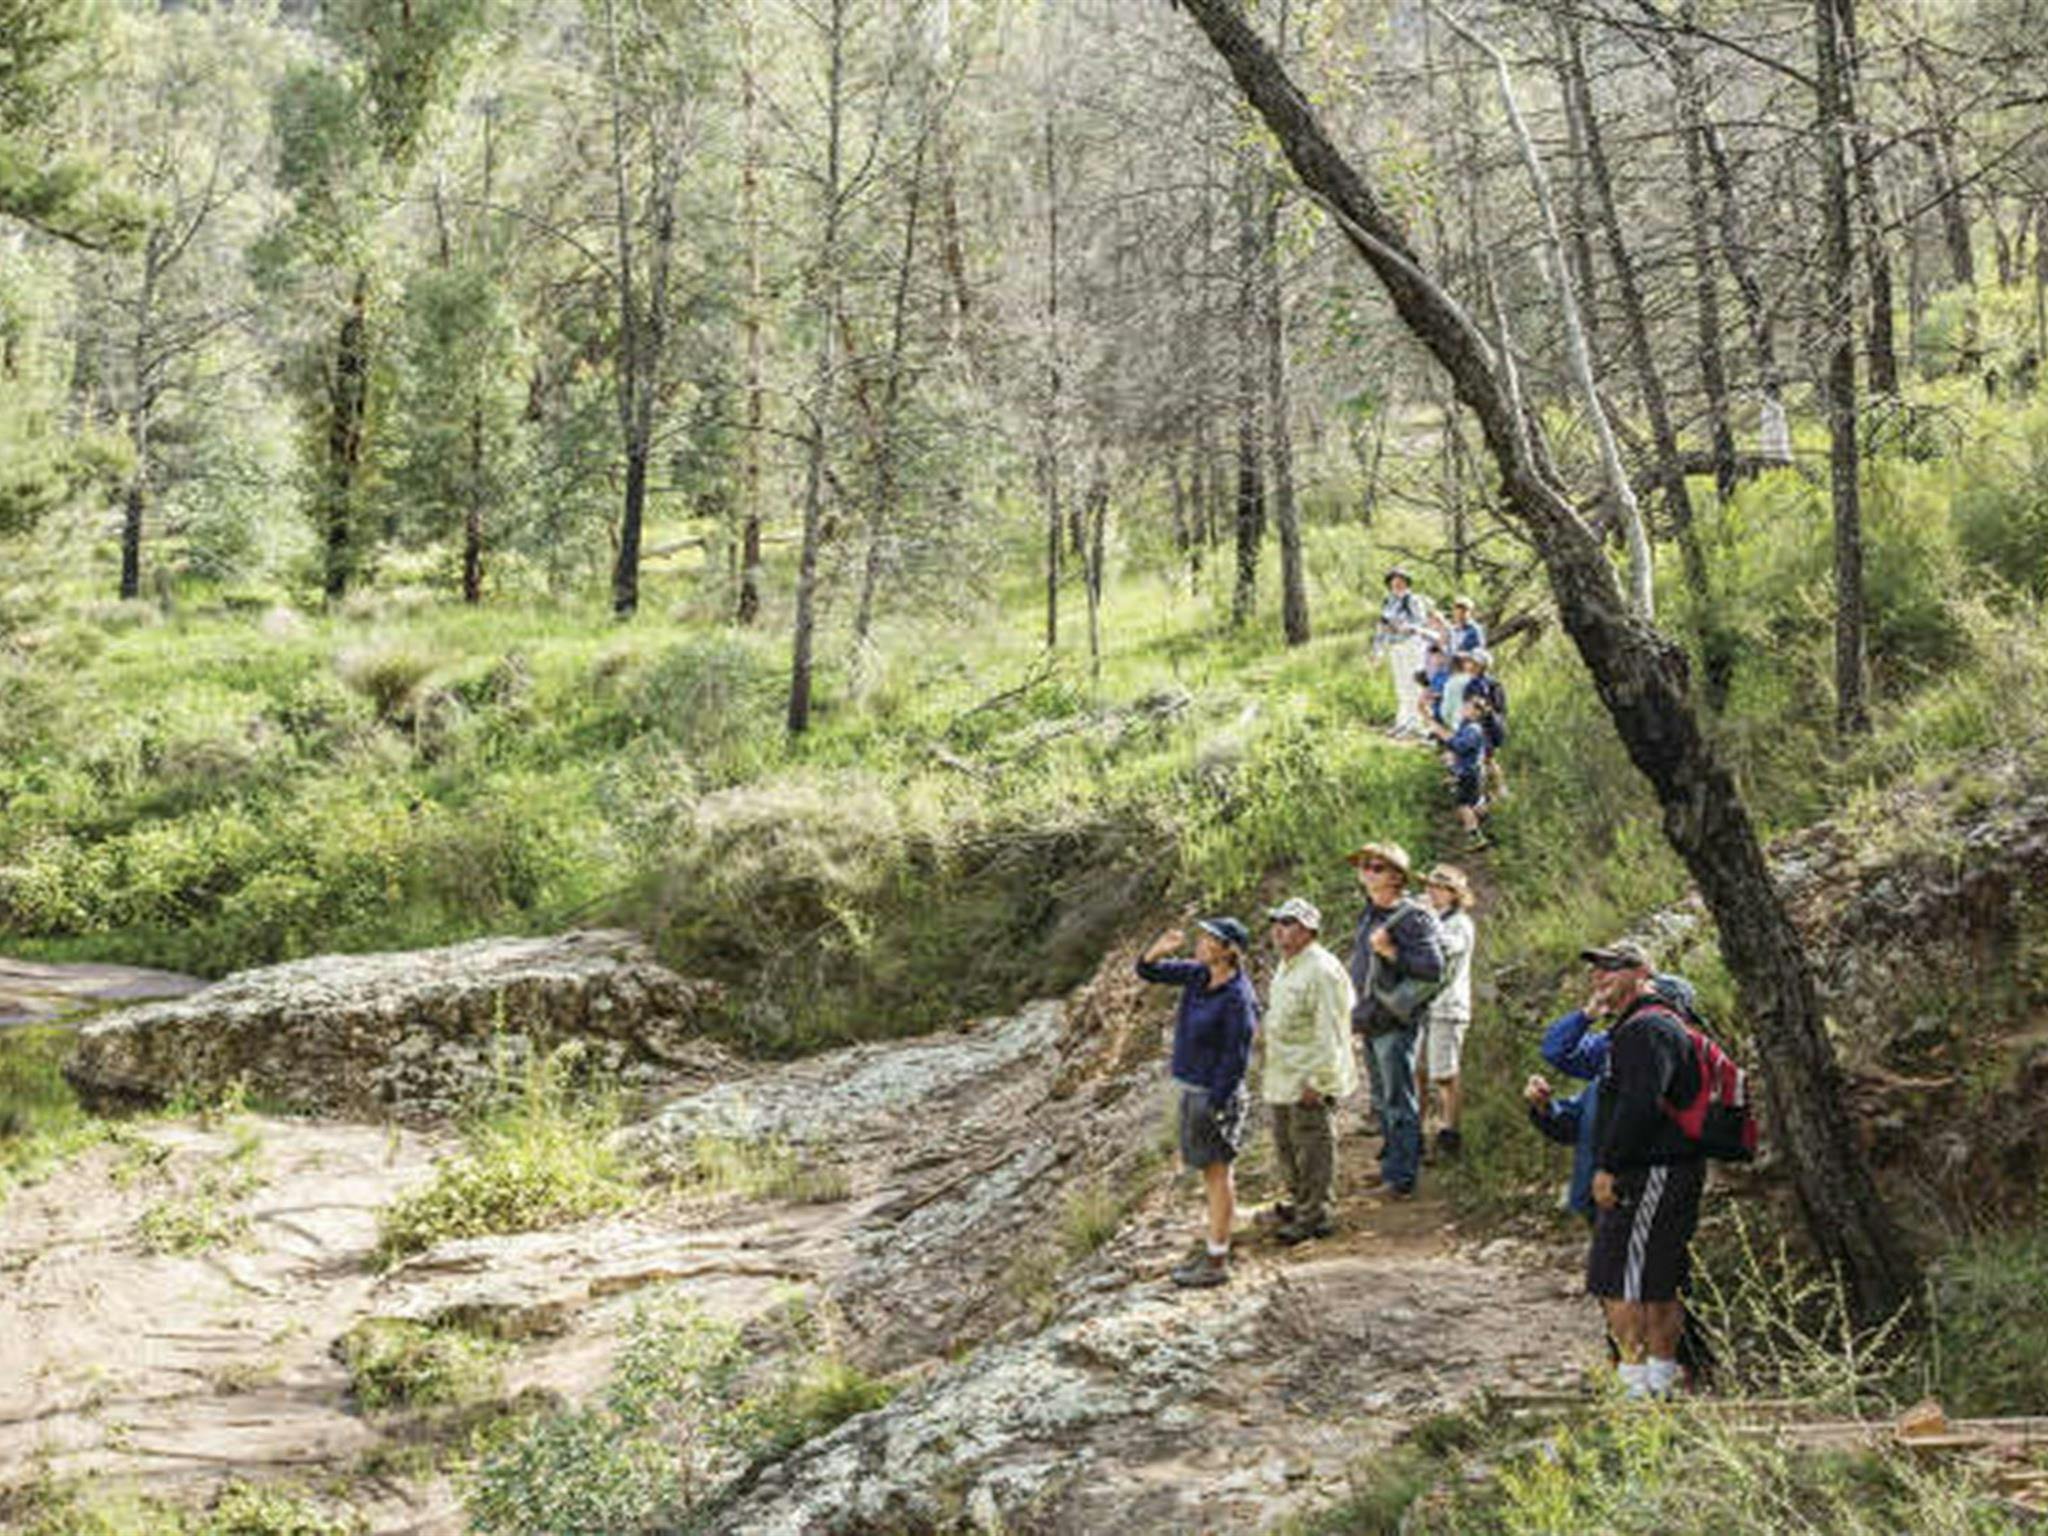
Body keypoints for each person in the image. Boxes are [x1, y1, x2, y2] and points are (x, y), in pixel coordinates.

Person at [1580, 939, 1708, 1400]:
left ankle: (1637, 1383)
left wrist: (1608, 1166)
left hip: (1652, 1169)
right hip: (1664, 1167)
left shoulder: (1647, 1029)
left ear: (1642, 973)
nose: (1600, 976)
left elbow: (1640, 1103)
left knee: (1619, 1276)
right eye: (1596, 970)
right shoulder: (1645, 1025)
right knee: (1652, 1277)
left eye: (1613, 968)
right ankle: (1656, 1380)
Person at [1137, 917, 1259, 1288]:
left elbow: (1236, 1057)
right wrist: (1158, 948)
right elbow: (1149, 971)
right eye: (1203, 937)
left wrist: (1218, 1103)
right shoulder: (1196, 975)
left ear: (1228, 951)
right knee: (1210, 1174)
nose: (1201, 943)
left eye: (1210, 940)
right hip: (1195, 1088)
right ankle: (1213, 1249)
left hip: (1214, 1094)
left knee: (1218, 1174)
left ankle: (1217, 1258)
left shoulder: (1238, 997)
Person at [1257, 896, 1358, 1244]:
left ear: (1309, 930)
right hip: (1284, 1072)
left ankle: (1315, 1214)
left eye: (1289, 924)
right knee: (1287, 1142)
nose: (1279, 931)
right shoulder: (1289, 964)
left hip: (1308, 1075)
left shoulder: (1322, 969)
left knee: (1313, 1145)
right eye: (1277, 923)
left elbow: (1331, 1029)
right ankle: (1302, 1202)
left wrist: (1319, 1080)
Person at [1347, 841, 1445, 1199]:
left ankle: (1401, 1178)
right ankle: (1394, 1164)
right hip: (1373, 1019)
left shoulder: (1412, 917)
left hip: (1394, 1021)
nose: (1366, 872)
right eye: (1364, 866)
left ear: (1396, 877)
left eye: (1375, 867)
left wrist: (1392, 952)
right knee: (1383, 1098)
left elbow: (1433, 968)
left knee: (1398, 1099)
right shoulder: (1371, 912)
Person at [1420, 865, 1477, 1158]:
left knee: (1444, 1073)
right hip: (1424, 1006)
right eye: (1429, 885)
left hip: (1448, 1008)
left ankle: (1450, 1132)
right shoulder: (1435, 919)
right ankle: (1419, 1133)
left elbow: (1445, 949)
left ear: (1454, 894)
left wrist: (1426, 918)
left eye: (1439, 887)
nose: (1431, 891)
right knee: (1418, 1070)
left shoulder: (1460, 924)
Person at [1373, 568, 1434, 739]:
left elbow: (1421, 623)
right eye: (1394, 580)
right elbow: (1381, 628)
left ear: (1407, 582)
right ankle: (1402, 721)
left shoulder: (1413, 600)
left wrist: (1401, 626)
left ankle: (1416, 723)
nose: (1397, 583)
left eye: (1401, 580)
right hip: (1395, 646)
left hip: (1411, 645)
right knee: (1401, 685)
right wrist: (1377, 650)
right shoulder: (1388, 601)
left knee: (1413, 683)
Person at [1429, 687, 1492, 850]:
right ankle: (1483, 815)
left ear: (1476, 712)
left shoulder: (1473, 730)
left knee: (1464, 804)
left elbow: (1461, 746)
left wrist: (1446, 739)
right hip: (1468, 771)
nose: (1463, 709)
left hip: (1469, 773)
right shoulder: (1467, 727)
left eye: (1467, 708)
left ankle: (1475, 835)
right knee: (1471, 800)